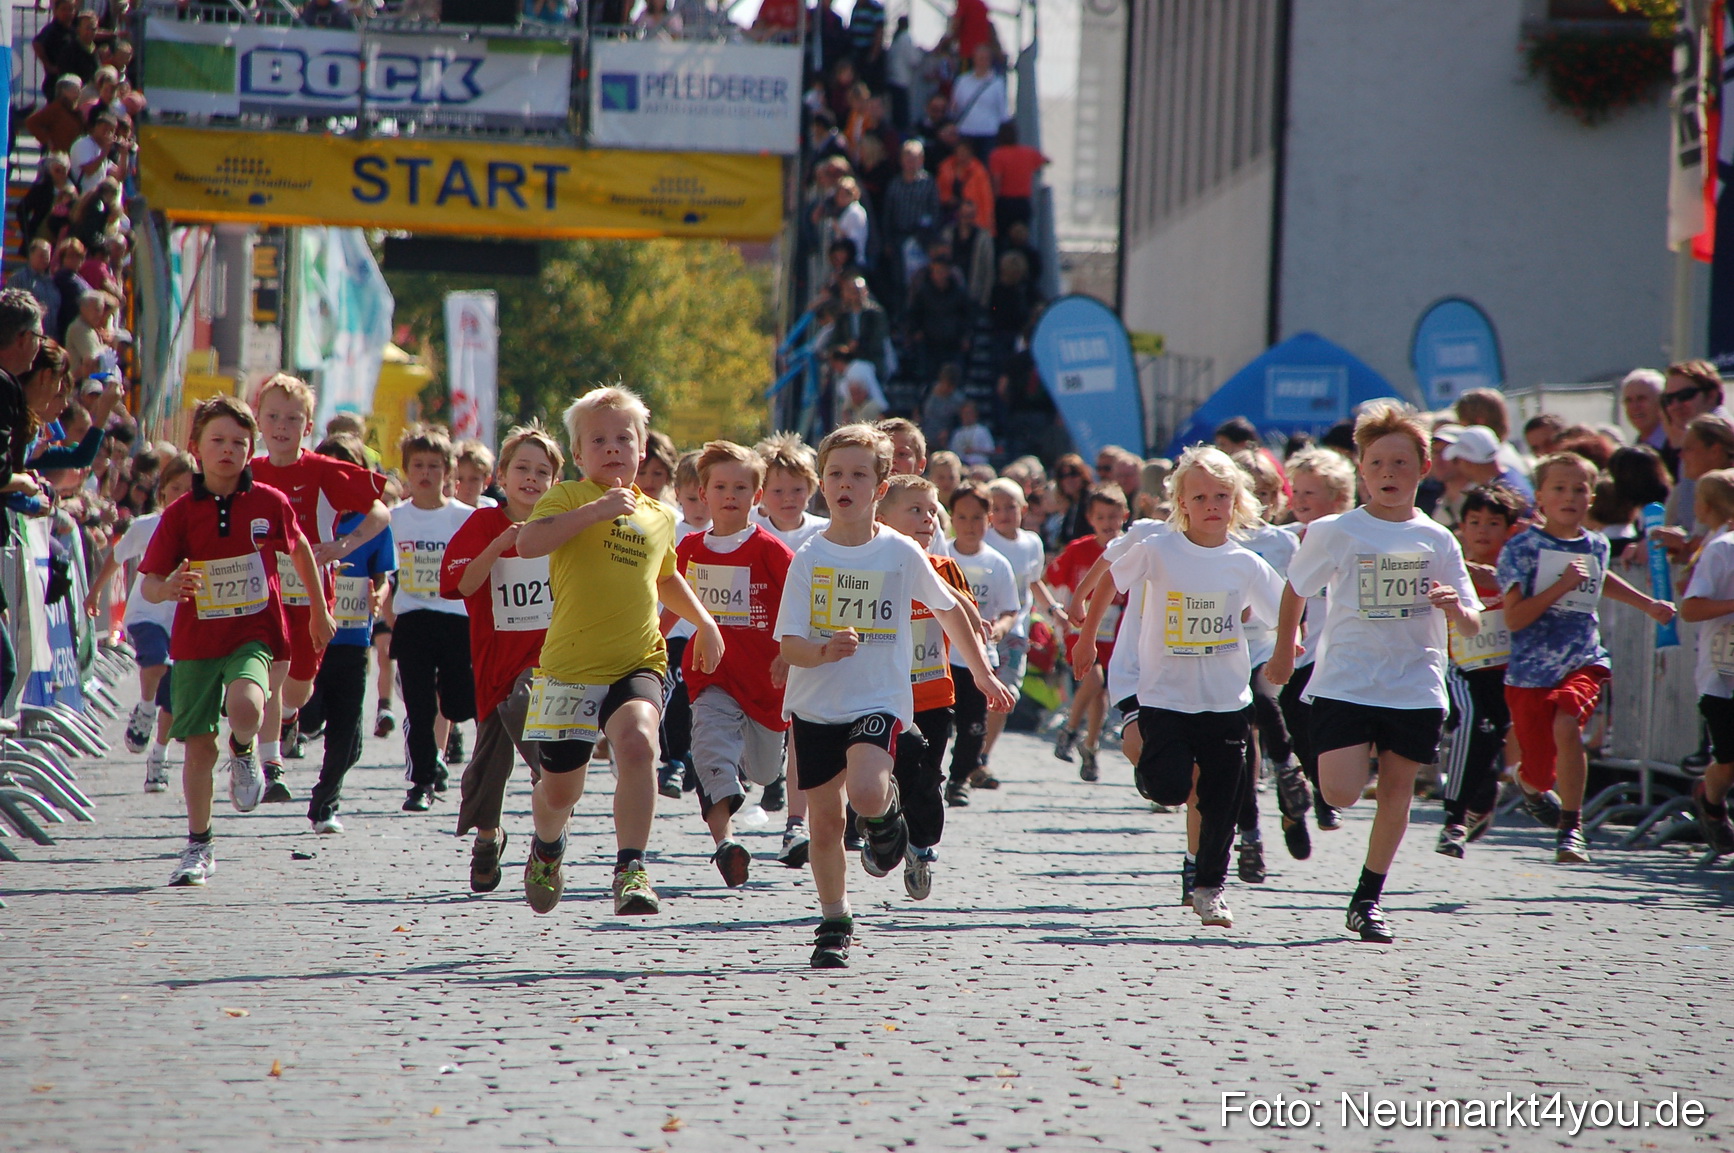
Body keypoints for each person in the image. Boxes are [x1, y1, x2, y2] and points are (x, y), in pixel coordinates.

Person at [774, 423, 1013, 967]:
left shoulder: (901, 552)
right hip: (815, 704)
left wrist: (979, 672)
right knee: (826, 824)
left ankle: (884, 819)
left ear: (881, 489)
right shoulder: (810, 557)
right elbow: (789, 644)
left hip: (878, 698)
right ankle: (835, 919)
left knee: (864, 788)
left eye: (860, 474)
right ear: (821, 484)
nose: (846, 483)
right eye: (835, 473)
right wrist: (822, 651)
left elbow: (949, 609)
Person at [1264, 405, 1483, 944]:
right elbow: (1296, 587)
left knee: (1398, 791)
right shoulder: (1338, 530)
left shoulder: (1439, 539)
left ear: (1423, 467)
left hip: (1415, 681)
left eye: (1401, 463)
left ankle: (1368, 897)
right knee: (1339, 791)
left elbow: (1474, 623)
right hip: (1348, 678)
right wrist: (1284, 651)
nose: (1389, 473)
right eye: (1378, 462)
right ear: (1361, 469)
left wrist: (1455, 606)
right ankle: (1315, 787)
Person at [514, 387, 724, 917]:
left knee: (638, 746)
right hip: (568, 667)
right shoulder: (565, 497)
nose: (612, 449)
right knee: (560, 792)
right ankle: (547, 845)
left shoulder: (660, 515)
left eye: (623, 439)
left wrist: (705, 623)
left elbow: (668, 575)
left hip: (638, 659)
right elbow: (529, 544)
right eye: (598, 440)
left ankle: (631, 869)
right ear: (579, 454)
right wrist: (596, 510)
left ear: (642, 448)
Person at [1078, 446, 1283, 929]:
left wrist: (1285, 651)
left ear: (1237, 503)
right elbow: (1112, 578)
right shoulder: (1159, 549)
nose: (1213, 505)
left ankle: (1210, 887)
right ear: (1182, 503)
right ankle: (1153, 776)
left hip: (1226, 701)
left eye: (1222, 496)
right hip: (1165, 697)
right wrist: (1087, 635)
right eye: (1201, 496)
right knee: (1169, 787)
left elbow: (1284, 609)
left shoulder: (1244, 563)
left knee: (1220, 802)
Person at [140, 396, 334, 887]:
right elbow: (150, 582)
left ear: (252, 450)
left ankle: (245, 749)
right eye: (218, 441)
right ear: (197, 448)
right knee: (199, 750)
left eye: (239, 443)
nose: (228, 451)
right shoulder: (182, 513)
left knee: (247, 704)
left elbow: (302, 548)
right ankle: (199, 843)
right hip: (196, 643)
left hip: (254, 633)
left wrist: (318, 610)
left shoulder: (269, 501)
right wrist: (167, 588)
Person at [1497, 451, 1675, 865]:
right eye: (1559, 488)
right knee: (1539, 770)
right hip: (1530, 671)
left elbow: (1600, 576)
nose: (1570, 496)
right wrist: (1560, 586)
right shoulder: (1521, 548)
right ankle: (1528, 782)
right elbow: (1516, 617)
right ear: (1539, 496)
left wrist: (1648, 604)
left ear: (1592, 497)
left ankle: (1570, 826)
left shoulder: (1595, 543)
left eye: (1579, 489)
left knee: (1568, 725)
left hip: (1583, 659)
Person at [250, 374, 390, 801]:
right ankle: (271, 766)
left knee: (297, 686)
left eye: (293, 418)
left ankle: (291, 717)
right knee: (270, 679)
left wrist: (343, 544)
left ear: (308, 426)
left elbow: (380, 512)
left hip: (313, 600)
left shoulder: (324, 470)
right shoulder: (247, 470)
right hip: (263, 597)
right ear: (258, 421)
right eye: (273, 416)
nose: (282, 426)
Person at [440, 424, 560, 886]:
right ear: (502, 476)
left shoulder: (561, 525)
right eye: (522, 469)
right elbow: (459, 585)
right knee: (489, 764)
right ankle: (488, 837)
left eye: (543, 471)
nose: (531, 479)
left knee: (536, 721)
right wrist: (498, 546)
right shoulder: (482, 523)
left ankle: (550, 826)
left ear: (554, 481)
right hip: (494, 661)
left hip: (550, 662)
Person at [671, 440, 794, 887]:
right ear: (702, 494)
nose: (730, 495)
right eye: (720, 486)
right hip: (711, 674)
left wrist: (787, 652)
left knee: (762, 771)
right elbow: (669, 601)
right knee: (708, 752)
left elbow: (799, 604)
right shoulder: (687, 548)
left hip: (765, 679)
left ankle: (747, 763)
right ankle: (726, 843)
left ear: (756, 496)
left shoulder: (771, 550)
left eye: (741, 487)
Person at [876, 474, 979, 898]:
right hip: (880, 696)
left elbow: (970, 622)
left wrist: (968, 615)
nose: (927, 519)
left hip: (934, 697)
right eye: (915, 510)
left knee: (927, 779)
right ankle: (881, 831)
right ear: (881, 516)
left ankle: (920, 849)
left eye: (932, 511)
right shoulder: (872, 568)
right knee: (883, 776)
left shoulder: (943, 569)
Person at [300, 433, 397, 835]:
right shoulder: (305, 516)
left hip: (354, 638)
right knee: (309, 713)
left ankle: (325, 804)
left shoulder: (371, 523)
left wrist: (379, 596)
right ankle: (293, 727)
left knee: (349, 739)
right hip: (311, 637)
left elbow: (384, 576)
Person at [87, 452, 195, 790]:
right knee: (155, 659)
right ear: (163, 492)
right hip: (146, 612)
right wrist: (95, 593)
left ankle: (158, 757)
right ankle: (144, 708)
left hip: (184, 619)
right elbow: (116, 559)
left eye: (190, 489)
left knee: (173, 697)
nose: (182, 495)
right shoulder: (147, 525)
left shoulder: (203, 529)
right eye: (175, 488)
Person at [389, 424, 478, 812]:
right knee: (419, 705)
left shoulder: (465, 517)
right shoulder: (394, 518)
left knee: (459, 702)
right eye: (418, 465)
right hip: (413, 620)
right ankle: (422, 780)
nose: (426, 474)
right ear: (407, 470)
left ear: (449, 472)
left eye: (435, 466)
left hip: (457, 619)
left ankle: (447, 752)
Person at [1437, 482, 1525, 858]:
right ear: (1462, 527)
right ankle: (1453, 820)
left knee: (1490, 741)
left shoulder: (1517, 568)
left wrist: (1502, 584)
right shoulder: (1450, 563)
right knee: (1469, 721)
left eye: (1493, 523)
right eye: (1474, 521)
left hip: (1505, 671)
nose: (1482, 530)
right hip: (1461, 666)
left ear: (1508, 530)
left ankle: (1484, 797)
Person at [1048, 484, 1129, 779]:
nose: (1108, 523)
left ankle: (1091, 747)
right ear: (1090, 519)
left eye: (1113, 516)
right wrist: (1057, 610)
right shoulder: (1078, 549)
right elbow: (1050, 576)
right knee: (1092, 677)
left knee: (1100, 693)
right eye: (1101, 517)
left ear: (1125, 516)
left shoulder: (1130, 550)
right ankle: (1070, 730)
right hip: (1080, 629)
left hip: (1114, 632)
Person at [943, 481, 1018, 796]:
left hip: (979, 659)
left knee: (974, 727)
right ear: (951, 518)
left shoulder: (997, 564)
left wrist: (1000, 628)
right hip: (942, 657)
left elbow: (1010, 608)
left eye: (977, 517)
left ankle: (959, 779)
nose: (970, 525)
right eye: (962, 517)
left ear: (989, 519)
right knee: (936, 724)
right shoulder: (940, 556)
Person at [976, 476, 1047, 785]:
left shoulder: (1032, 542)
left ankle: (983, 756)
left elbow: (1033, 581)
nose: (1004, 513)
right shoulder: (983, 541)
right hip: (981, 629)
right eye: (997, 507)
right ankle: (970, 751)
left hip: (1016, 629)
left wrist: (1054, 610)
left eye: (1011, 507)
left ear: (1024, 508)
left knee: (1007, 693)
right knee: (976, 695)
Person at [1681, 468, 1734, 856]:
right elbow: (1692, 607)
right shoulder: (1723, 549)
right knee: (1730, 760)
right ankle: (1710, 799)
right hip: (1723, 673)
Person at [987, 122, 1049, 234]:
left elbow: (997, 180)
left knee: (1001, 237)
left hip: (1004, 201)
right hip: (1023, 202)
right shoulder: (1028, 153)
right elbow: (1047, 161)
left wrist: (992, 202)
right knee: (1021, 236)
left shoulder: (997, 155)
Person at [949, 42, 1007, 159]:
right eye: (980, 58)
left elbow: (1002, 111)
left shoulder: (997, 83)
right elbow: (955, 106)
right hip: (966, 132)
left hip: (988, 133)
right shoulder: (962, 81)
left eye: (986, 59)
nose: (982, 62)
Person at [936, 138, 996, 235]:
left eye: (965, 151)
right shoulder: (945, 167)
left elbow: (986, 199)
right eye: (959, 151)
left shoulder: (979, 172)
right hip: (948, 214)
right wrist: (947, 199)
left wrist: (988, 224)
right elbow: (939, 191)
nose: (962, 154)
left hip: (971, 215)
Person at [25, 76, 85, 156]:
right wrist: (47, 141)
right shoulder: (55, 108)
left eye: (79, 89)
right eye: (74, 89)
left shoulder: (77, 110)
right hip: (58, 155)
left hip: (73, 154)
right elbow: (31, 122)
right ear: (63, 91)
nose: (78, 92)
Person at [8, 240, 61, 322]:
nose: (44, 260)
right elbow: (10, 306)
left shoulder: (51, 281)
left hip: (51, 332)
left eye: (47, 257)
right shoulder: (19, 278)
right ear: (31, 255)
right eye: (41, 256)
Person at [1622, 368, 1668, 451]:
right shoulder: (1635, 449)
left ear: (1661, 402)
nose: (1634, 406)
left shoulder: (1678, 447)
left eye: (1641, 399)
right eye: (1628, 400)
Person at [452, 439, 498, 509]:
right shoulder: (444, 515)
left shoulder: (492, 509)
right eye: (459, 479)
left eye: (474, 479)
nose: (467, 486)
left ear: (486, 481)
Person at [950, 400, 995, 467]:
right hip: (963, 466)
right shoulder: (958, 433)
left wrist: (974, 450)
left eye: (969, 413)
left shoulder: (982, 430)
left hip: (981, 466)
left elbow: (991, 450)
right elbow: (953, 452)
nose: (967, 416)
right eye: (964, 413)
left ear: (975, 414)